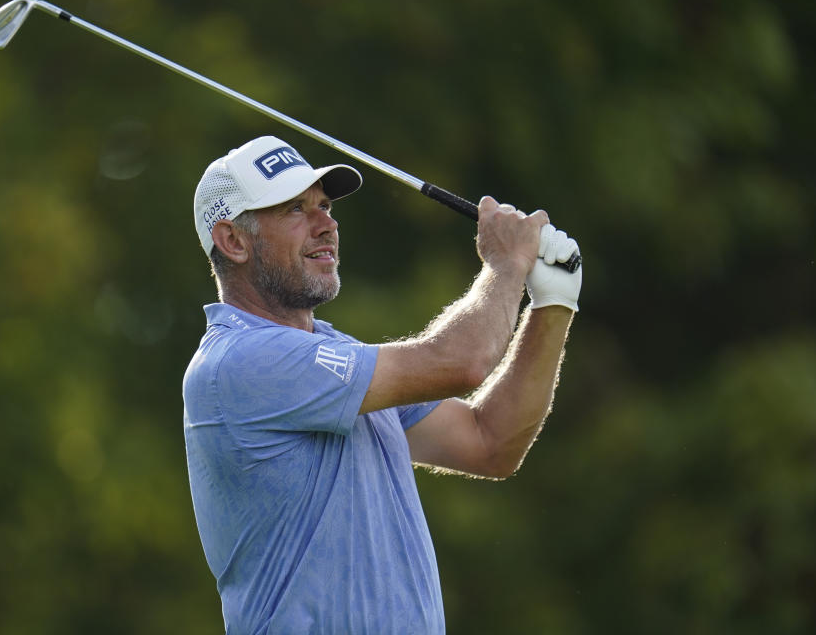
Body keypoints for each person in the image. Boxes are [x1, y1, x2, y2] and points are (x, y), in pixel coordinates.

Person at [183, 135, 582, 634]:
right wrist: (506, 265)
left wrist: (553, 305)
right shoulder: (240, 361)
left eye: (325, 205)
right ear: (234, 242)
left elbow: (490, 442)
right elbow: (464, 360)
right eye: (294, 209)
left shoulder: (338, 359)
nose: (326, 224)